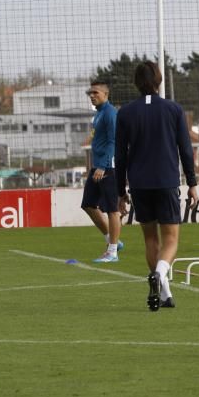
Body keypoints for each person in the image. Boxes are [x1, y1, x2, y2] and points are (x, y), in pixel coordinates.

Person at [115, 61, 198, 311]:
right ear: (159, 80)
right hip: (166, 181)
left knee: (150, 238)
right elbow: (185, 149)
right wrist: (192, 183)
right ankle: (161, 276)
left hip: (140, 184)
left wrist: (121, 191)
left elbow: (120, 155)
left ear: (136, 83)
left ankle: (164, 294)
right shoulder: (173, 109)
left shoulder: (126, 113)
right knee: (171, 239)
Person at [81, 80, 124, 263]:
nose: (92, 95)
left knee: (112, 210)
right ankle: (112, 240)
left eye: (95, 93)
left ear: (105, 95)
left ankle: (112, 252)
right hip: (97, 166)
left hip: (108, 167)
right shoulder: (98, 114)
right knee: (88, 205)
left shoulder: (110, 113)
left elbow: (114, 141)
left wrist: (103, 165)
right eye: (90, 93)